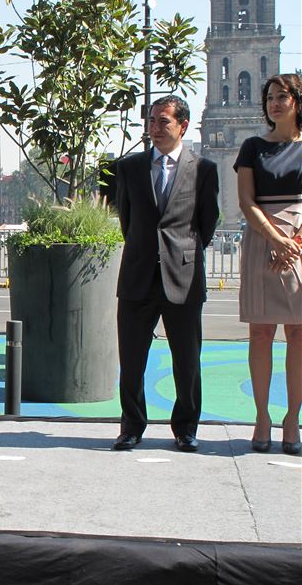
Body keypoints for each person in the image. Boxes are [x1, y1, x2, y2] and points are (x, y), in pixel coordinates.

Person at [113, 95, 220, 453]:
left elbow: (207, 224)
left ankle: (186, 428)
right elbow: (128, 222)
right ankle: (131, 427)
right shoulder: (129, 168)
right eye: (152, 121)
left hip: (184, 277)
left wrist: (180, 252)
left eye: (164, 122)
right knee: (131, 360)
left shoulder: (203, 170)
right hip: (138, 275)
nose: (155, 128)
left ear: (182, 126)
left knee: (187, 362)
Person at [234, 73, 302, 456]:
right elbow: (246, 201)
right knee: (260, 333)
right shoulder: (252, 147)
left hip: (300, 244)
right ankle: (262, 416)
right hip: (262, 241)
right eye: (270, 97)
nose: (274, 103)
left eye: (283, 96)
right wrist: (275, 239)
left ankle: (293, 418)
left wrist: (293, 241)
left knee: (299, 335)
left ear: (297, 102)